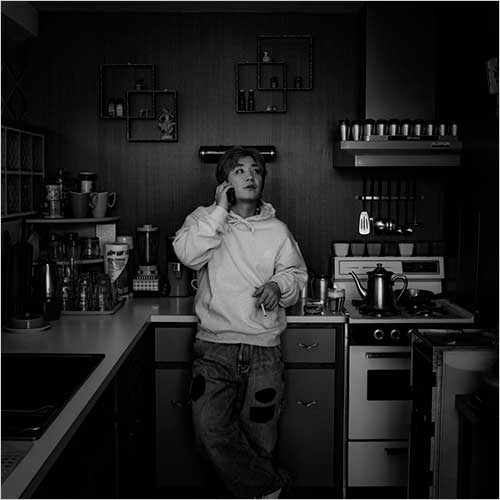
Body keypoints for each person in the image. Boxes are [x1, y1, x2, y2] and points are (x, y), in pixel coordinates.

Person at [173, 146, 307, 498]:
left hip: (264, 352)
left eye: (256, 170)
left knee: (260, 441)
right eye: (240, 170)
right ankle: (273, 487)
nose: (250, 176)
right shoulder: (204, 220)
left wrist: (277, 286)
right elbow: (187, 254)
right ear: (224, 182)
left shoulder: (277, 230)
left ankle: (263, 491)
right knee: (209, 431)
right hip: (214, 349)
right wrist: (220, 210)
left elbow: (297, 276)